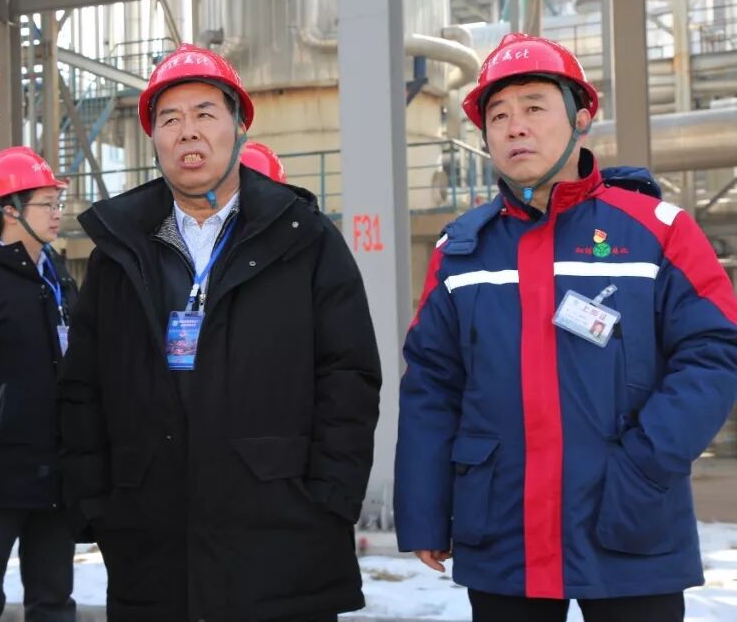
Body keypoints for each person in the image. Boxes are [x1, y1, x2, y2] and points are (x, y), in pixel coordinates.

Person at [394, 33, 737, 622]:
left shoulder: (657, 231)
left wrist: (647, 460)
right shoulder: (461, 252)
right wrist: (426, 508)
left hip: (629, 516)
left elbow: (714, 350)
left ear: (581, 118)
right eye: (498, 116)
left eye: (534, 107)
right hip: (504, 527)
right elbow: (431, 384)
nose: (515, 128)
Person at [58, 43, 382, 622]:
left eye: (205, 113)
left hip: (283, 544)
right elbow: (83, 386)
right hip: (152, 548)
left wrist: (328, 499)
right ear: (153, 139)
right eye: (169, 119)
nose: (188, 132)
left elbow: (349, 376)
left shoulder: (304, 238)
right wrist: (101, 503)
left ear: (238, 127)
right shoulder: (119, 252)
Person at [0, 147, 78, 622]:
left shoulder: (57, 275)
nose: (57, 213)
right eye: (46, 204)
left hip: (55, 469)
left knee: (53, 601)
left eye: (58, 203)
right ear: (10, 210)